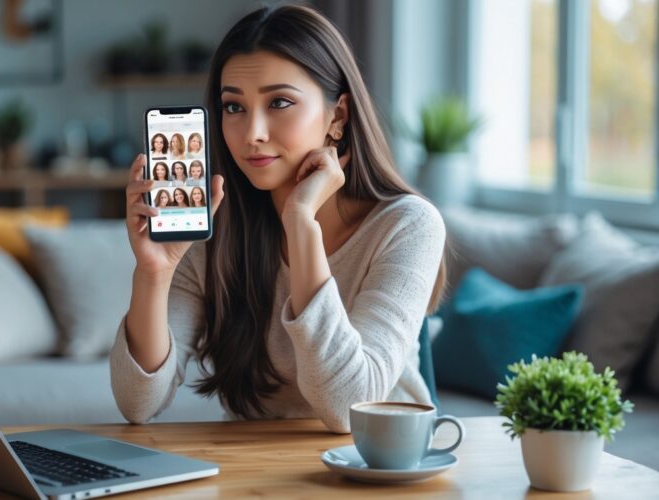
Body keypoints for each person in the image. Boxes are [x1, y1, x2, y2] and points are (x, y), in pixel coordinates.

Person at [113, 4, 447, 433]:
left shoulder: (407, 226)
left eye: (280, 102)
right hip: (254, 475)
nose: (252, 132)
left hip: (376, 468)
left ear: (338, 117)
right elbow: (137, 403)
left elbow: (350, 408)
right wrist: (153, 273)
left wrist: (301, 221)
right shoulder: (213, 232)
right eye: (234, 107)